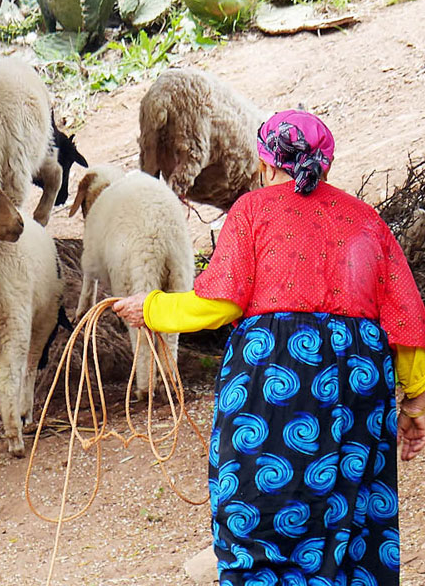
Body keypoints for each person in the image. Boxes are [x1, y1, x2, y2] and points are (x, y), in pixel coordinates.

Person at [113, 109, 425, 586]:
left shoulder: (254, 210)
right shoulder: (366, 220)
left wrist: (151, 308)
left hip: (273, 378)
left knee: (258, 509)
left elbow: (217, 302)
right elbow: (406, 317)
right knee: (351, 514)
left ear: (264, 163)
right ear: (325, 165)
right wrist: (415, 399)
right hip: (355, 385)